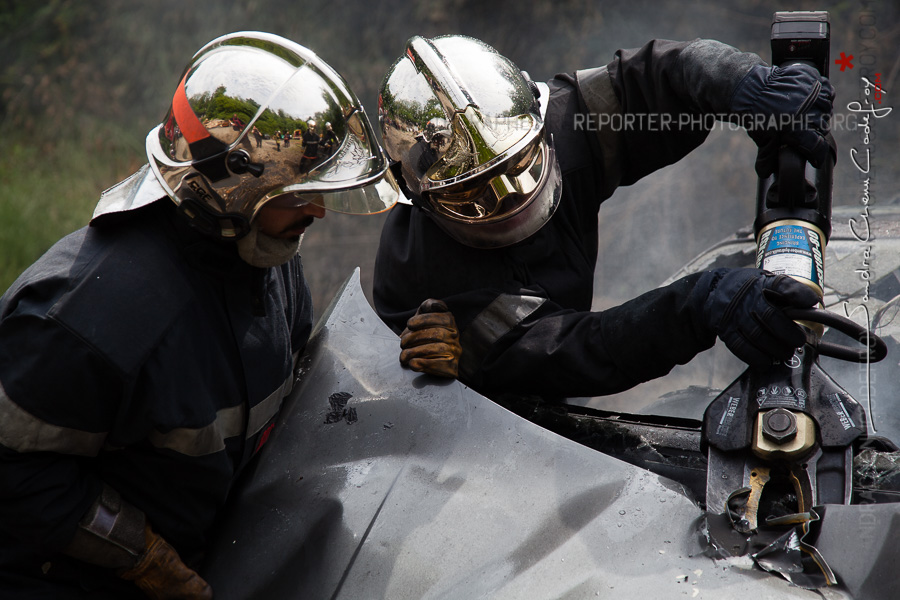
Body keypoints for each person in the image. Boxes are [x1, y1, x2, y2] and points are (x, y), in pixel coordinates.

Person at [0, 31, 399, 599]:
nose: (317, 211)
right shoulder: (83, 316)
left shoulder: (264, 257)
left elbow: (299, 390)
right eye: (299, 195)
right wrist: (141, 556)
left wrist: (398, 373)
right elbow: (13, 469)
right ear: (227, 189)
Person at [373, 35, 832, 399]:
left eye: (516, 167)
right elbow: (576, 352)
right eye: (474, 192)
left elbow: (656, 80)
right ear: (421, 200)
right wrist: (697, 305)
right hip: (481, 435)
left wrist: (741, 83)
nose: (510, 197)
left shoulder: (564, 121)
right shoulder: (431, 284)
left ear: (538, 116)